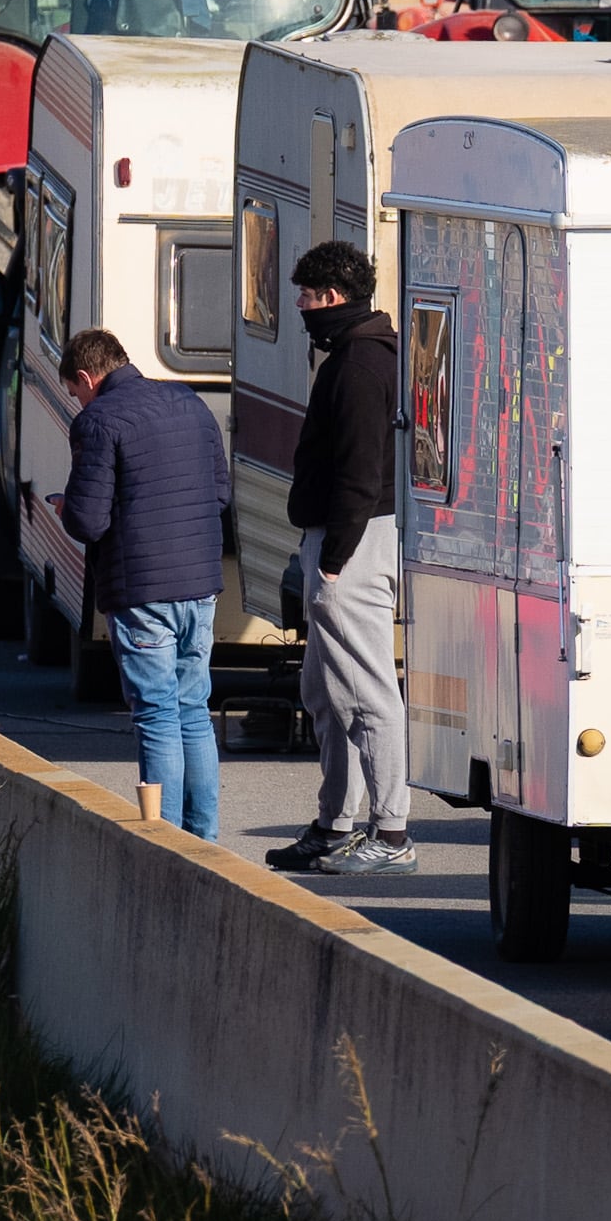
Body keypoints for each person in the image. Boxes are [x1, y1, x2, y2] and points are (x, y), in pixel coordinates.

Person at [53, 326, 230, 842]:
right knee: (193, 709)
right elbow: (219, 493)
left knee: (155, 714)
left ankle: (166, 842)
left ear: (87, 377)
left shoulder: (98, 420)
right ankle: (204, 838)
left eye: (74, 391)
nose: (77, 401)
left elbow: (88, 522)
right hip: (199, 582)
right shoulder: (188, 401)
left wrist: (66, 508)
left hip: (141, 589)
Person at [269, 238, 407, 876]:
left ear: (331, 297)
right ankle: (335, 823)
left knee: (368, 689)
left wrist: (333, 561)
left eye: (304, 295)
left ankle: (392, 833)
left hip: (353, 540)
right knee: (324, 689)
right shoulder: (363, 354)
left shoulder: (357, 365)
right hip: (342, 536)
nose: (299, 306)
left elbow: (360, 470)